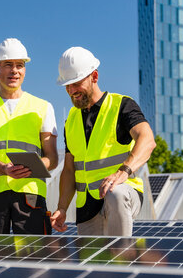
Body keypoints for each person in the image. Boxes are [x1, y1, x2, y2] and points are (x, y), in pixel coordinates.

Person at [50, 47, 156, 236]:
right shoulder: (71, 121)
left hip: (122, 194)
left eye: (76, 83)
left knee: (115, 194)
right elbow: (68, 170)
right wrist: (62, 208)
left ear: (94, 76)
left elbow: (147, 140)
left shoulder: (122, 106)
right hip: (86, 207)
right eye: (67, 85)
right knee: (92, 263)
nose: (72, 91)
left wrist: (123, 172)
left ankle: (123, 259)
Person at [0, 38, 58, 235]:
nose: (14, 70)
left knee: (35, 260)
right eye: (8, 65)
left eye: (20, 65)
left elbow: (52, 158)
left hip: (30, 194)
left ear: (25, 71)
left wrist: (29, 168)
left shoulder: (43, 107)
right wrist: (3, 168)